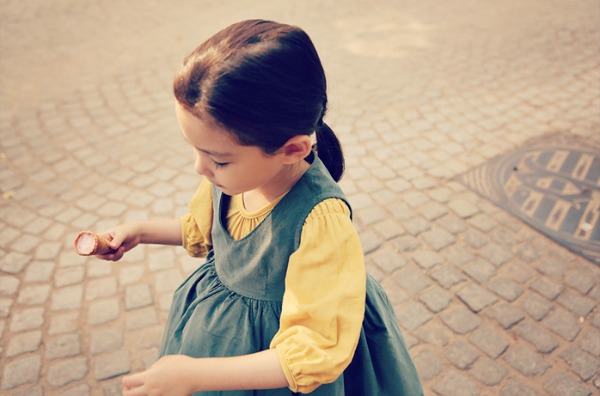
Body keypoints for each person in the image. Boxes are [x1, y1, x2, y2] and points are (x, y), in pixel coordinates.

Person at [97, 19, 423, 396]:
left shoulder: (321, 222)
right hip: (218, 342)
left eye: (218, 159)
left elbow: (311, 350)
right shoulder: (232, 179)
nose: (200, 168)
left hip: (273, 368)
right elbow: (209, 232)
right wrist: (142, 231)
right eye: (194, 148)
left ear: (292, 150)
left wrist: (194, 377)